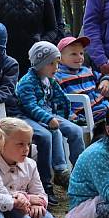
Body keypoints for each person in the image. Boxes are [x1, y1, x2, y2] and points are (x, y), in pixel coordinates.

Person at [0, 117, 85, 218]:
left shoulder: (30, 164)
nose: (26, 149)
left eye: (28, 144)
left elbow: (40, 193)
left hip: (28, 210)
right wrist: (28, 199)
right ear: (2, 144)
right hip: (6, 215)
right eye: (20, 144)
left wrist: (39, 204)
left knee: (44, 217)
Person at [17, 41, 84, 199]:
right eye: (51, 63)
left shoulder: (50, 80)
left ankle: (80, 174)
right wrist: (49, 119)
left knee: (76, 130)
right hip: (29, 116)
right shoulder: (27, 82)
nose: (56, 68)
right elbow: (30, 106)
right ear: (39, 63)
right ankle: (55, 175)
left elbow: (60, 100)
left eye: (57, 63)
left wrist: (68, 116)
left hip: (49, 114)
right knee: (51, 133)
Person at [54, 35, 109, 128]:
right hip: (86, 114)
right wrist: (71, 116)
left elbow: (102, 77)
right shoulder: (58, 77)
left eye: (81, 53)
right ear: (59, 58)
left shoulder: (87, 71)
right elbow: (58, 101)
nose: (80, 57)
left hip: (104, 107)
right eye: (74, 54)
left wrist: (106, 80)